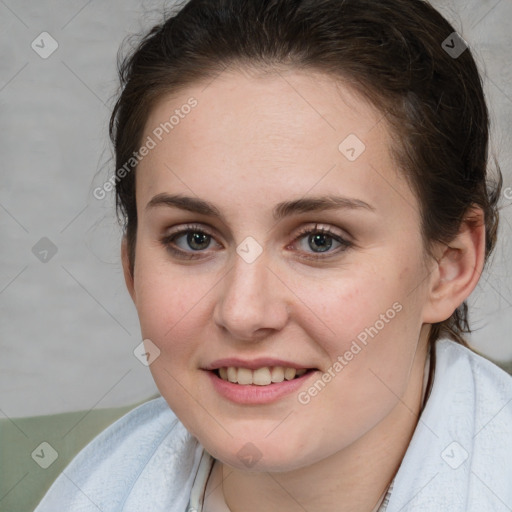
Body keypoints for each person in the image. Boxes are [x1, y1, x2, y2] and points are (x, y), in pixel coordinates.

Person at [35, 0, 512, 510]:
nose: (243, 313)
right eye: (193, 238)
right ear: (131, 266)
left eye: (319, 240)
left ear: (449, 266)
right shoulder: (89, 490)